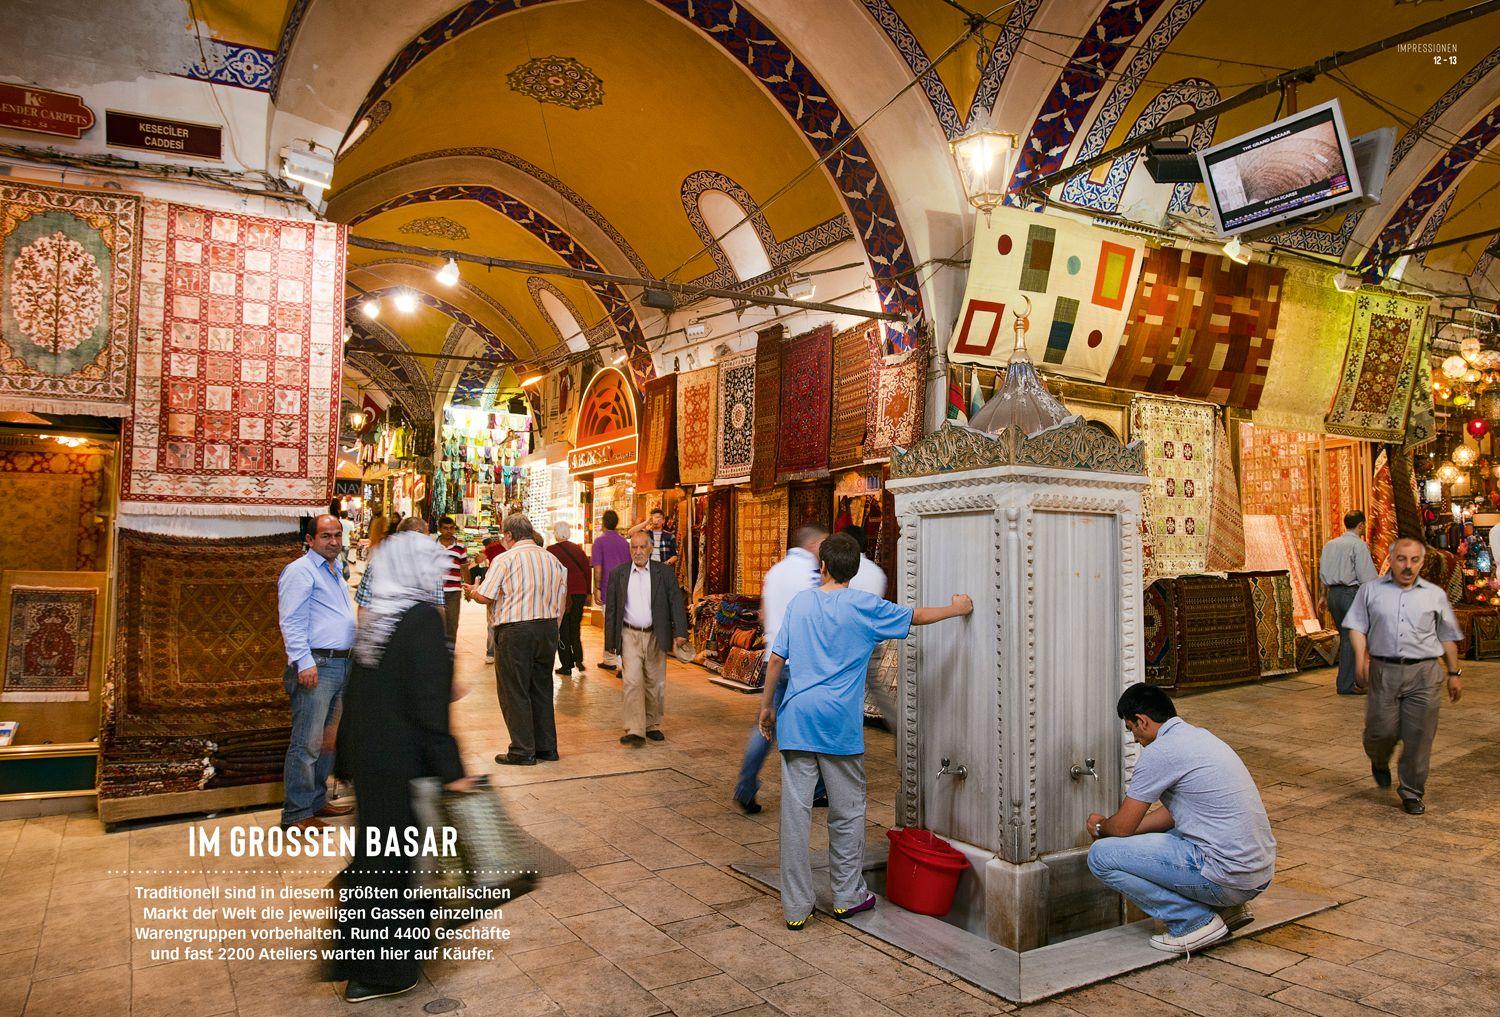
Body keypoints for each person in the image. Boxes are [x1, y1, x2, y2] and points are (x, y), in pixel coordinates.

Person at [759, 533, 972, 930]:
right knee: (847, 813)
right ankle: (846, 895)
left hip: (798, 720)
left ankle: (796, 908)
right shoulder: (865, 607)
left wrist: (767, 707)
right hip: (837, 725)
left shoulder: (801, 603)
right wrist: (957, 608)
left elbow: (775, 661)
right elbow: (917, 616)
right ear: (854, 570)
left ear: (821, 566)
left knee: (795, 816)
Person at [328, 529, 472, 1004]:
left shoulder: (379, 621)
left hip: (372, 761)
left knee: (377, 857)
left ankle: (361, 954)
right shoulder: (419, 622)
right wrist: (453, 769)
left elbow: (358, 693)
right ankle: (383, 972)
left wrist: (344, 759)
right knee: (391, 863)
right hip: (400, 758)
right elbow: (429, 704)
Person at [1086, 683, 1276, 954]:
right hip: (1256, 874)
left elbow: (1123, 828)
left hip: (1228, 877)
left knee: (1101, 856)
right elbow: (1172, 817)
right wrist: (1133, 836)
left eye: (1131, 730)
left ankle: (1192, 921)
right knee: (1168, 835)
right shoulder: (1200, 738)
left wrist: (1100, 826)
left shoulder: (1159, 752)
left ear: (1142, 721)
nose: (1135, 739)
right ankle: (1227, 910)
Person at [1342, 537, 1464, 815]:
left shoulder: (1434, 594)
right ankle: (1379, 758)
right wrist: (1361, 658)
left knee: (1419, 736)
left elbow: (1446, 636)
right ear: (1391, 559)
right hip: (1384, 671)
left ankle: (1411, 791)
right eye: (1402, 559)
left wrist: (1454, 673)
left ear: (1422, 562)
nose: (1408, 566)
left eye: (1414, 560)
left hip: (1425, 673)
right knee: (1380, 731)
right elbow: (1357, 627)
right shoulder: (1370, 591)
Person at [734, 524, 828, 814]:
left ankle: (746, 786)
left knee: (765, 725)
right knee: (814, 726)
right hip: (802, 664)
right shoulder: (813, 576)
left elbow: (764, 612)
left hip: (774, 661)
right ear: (814, 545)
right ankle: (816, 789)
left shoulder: (775, 571)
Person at [466, 514, 567, 766]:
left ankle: (522, 750)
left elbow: (486, 597)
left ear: (509, 535)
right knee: (542, 688)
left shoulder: (505, 559)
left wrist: (473, 591)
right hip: (546, 629)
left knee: (515, 690)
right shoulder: (553, 560)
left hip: (516, 631)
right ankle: (546, 747)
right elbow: (561, 597)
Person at [276, 514, 356, 829]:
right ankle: (297, 813)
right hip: (318, 665)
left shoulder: (334, 569)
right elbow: (291, 620)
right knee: (307, 741)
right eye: (326, 536)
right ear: (309, 540)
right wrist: (303, 661)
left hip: (340, 663)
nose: (334, 541)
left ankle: (317, 801)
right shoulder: (300, 571)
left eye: (337, 535)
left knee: (327, 740)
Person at [605, 530, 689, 745]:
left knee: (655, 682)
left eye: (643, 547)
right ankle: (634, 728)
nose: (638, 551)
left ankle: (652, 724)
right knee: (632, 681)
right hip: (629, 634)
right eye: (634, 547)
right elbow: (612, 610)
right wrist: (609, 644)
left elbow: (675, 602)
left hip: (655, 634)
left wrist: (680, 633)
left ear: (650, 548)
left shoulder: (664, 573)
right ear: (630, 549)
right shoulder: (618, 574)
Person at [1318, 510, 1378, 695]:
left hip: (1334, 595)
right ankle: (1346, 684)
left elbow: (1323, 573)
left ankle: (1349, 681)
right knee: (1352, 639)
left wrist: (1323, 596)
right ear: (1361, 525)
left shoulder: (1330, 545)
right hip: (1351, 594)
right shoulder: (1358, 546)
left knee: (1347, 637)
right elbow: (1366, 577)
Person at [547, 521, 591, 678]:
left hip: (562, 595)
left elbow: (549, 575)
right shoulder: (578, 549)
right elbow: (586, 571)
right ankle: (578, 658)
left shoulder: (551, 551)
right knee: (575, 628)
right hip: (579, 593)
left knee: (562, 629)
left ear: (555, 533)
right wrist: (588, 593)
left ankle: (566, 664)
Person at [590, 510, 632, 670]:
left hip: (608, 587)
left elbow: (598, 568)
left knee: (611, 625)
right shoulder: (624, 543)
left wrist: (597, 588)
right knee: (622, 624)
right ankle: (609, 659)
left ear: (603, 524)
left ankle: (619, 662)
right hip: (624, 587)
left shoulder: (599, 542)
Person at [435, 516, 471, 649]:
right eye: (445, 528)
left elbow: (464, 569)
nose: (448, 531)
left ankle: (449, 652)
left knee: (452, 623)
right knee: (434, 623)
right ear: (439, 529)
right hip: (435, 591)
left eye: (451, 528)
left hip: (453, 593)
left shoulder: (460, 547)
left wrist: (468, 590)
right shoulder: (431, 546)